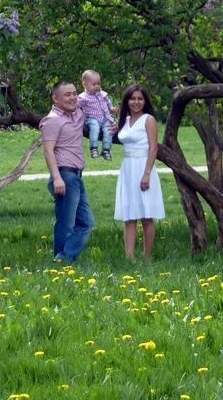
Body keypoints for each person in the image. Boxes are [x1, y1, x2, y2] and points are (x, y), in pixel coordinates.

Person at [40, 80, 109, 264]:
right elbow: (48, 151)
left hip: (77, 177)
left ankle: (63, 259)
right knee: (66, 224)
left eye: (74, 93)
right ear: (55, 98)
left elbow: (97, 108)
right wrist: (56, 178)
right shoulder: (52, 120)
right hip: (64, 176)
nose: (72, 98)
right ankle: (62, 261)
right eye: (67, 94)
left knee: (86, 222)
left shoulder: (78, 113)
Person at [114, 84, 165, 261]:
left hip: (143, 166)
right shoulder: (125, 121)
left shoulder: (148, 119)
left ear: (145, 101)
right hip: (127, 168)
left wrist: (146, 174)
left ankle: (147, 257)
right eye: (132, 98)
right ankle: (129, 258)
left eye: (140, 99)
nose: (136, 102)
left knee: (146, 215)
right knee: (129, 215)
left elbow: (153, 147)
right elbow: (123, 137)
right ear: (127, 101)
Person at [78, 69, 117, 161]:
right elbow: (76, 106)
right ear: (85, 84)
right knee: (94, 129)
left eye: (98, 84)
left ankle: (106, 150)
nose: (97, 86)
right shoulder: (83, 97)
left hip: (105, 118)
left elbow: (108, 101)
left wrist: (111, 108)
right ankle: (93, 148)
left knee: (109, 131)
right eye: (94, 84)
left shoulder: (102, 94)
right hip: (92, 118)